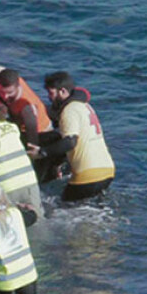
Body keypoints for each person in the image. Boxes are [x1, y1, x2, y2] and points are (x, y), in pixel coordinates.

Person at [34, 72, 115, 201]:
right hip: (107, 170)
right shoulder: (85, 106)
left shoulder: (69, 110)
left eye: (51, 93)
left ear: (62, 91)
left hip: (87, 175)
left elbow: (70, 142)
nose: (49, 97)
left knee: (62, 207)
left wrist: (42, 152)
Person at [0, 69, 52, 148]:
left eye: (10, 93)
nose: (5, 96)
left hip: (40, 132)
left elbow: (32, 133)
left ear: (17, 87)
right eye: (2, 92)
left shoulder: (26, 107)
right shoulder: (10, 79)